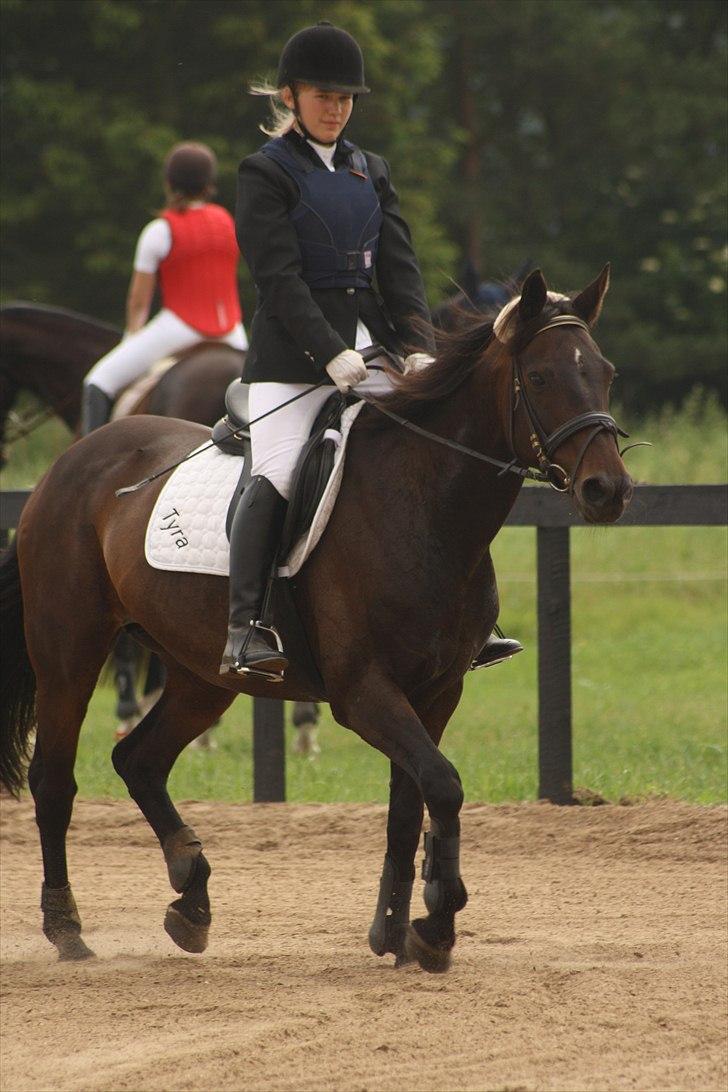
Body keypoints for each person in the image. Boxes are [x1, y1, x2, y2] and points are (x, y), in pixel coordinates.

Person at [220, 20, 521, 680]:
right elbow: (279, 277)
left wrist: (415, 348)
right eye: (324, 96)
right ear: (292, 96)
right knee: (277, 470)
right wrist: (328, 352)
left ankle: (474, 615)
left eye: (347, 97)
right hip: (289, 364)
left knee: (433, 457)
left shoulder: (369, 171)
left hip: (370, 351)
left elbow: (400, 270)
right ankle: (246, 625)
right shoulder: (264, 172)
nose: (337, 108)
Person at [81, 142, 248, 433]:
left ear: (169, 182)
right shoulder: (226, 221)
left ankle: (86, 463)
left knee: (98, 381)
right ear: (210, 183)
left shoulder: (160, 230)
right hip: (232, 330)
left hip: (180, 325)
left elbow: (138, 300)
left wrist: (131, 338)